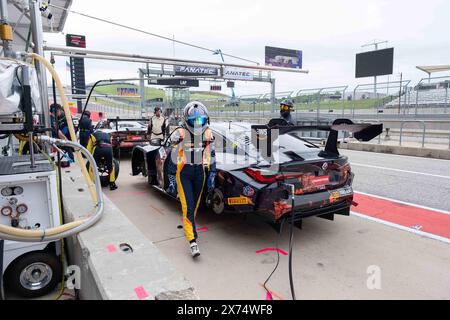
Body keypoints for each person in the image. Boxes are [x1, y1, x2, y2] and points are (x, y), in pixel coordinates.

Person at [167, 101, 216, 258]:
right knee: (187, 207)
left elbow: (211, 154)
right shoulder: (180, 132)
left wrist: (212, 173)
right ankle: (192, 241)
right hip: (184, 173)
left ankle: (191, 228)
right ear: (186, 119)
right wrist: (171, 179)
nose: (196, 123)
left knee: (194, 206)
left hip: (199, 172)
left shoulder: (208, 132)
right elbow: (171, 153)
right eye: (193, 120)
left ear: (204, 119)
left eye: (200, 120)